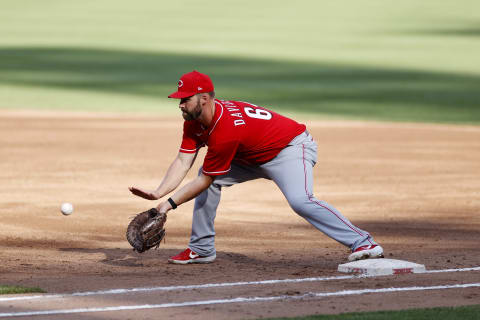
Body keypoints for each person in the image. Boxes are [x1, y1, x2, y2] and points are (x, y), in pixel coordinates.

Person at [129, 70, 384, 264]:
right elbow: (183, 160)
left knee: (300, 200)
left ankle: (363, 243)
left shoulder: (226, 129)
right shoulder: (193, 122)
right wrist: (158, 192)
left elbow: (205, 179)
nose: (180, 104)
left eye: (185, 99)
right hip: (250, 156)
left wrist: (166, 206)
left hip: (289, 149)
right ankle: (202, 248)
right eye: (179, 99)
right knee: (209, 179)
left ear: (204, 98)